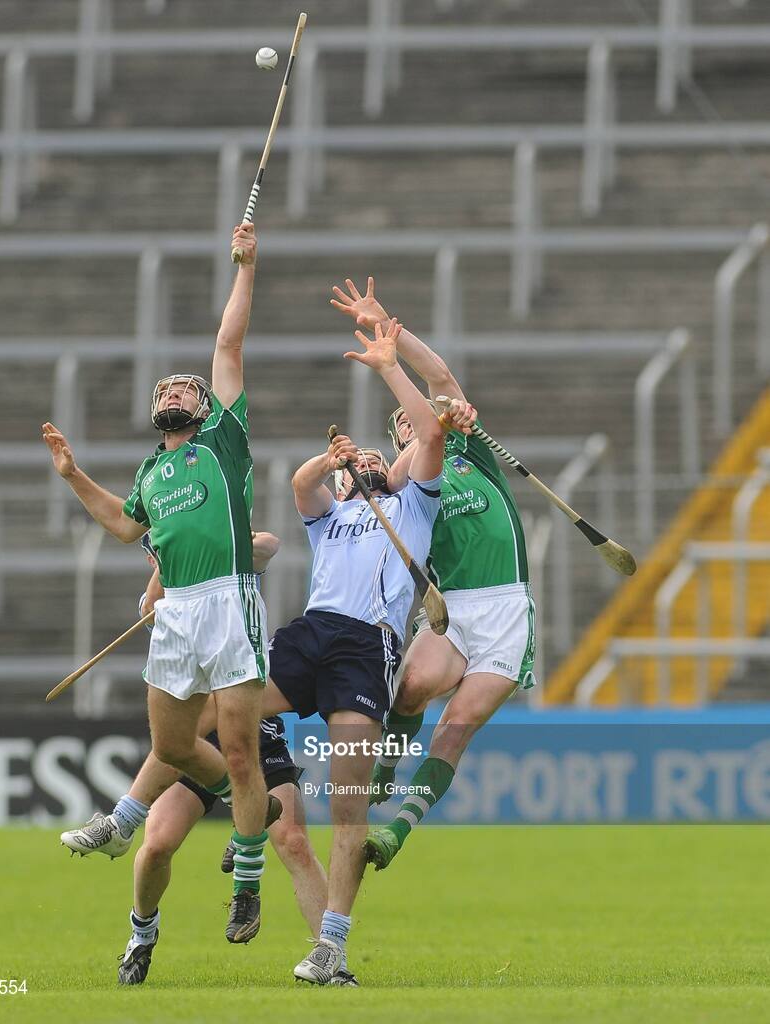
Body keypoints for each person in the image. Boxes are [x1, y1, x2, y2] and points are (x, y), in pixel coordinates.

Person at [43, 223, 272, 945]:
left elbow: (227, 346)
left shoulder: (224, 443)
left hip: (229, 601)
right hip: (176, 614)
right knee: (175, 749)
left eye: (188, 387)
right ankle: (242, 809)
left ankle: (247, 878)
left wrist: (245, 267)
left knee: (239, 751)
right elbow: (122, 526)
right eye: (167, 387)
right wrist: (75, 475)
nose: (177, 390)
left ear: (204, 408)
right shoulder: (150, 472)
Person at [260, 317, 471, 985]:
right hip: (310, 631)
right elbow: (300, 488)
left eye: (380, 460)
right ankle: (240, 820)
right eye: (362, 465)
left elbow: (431, 434)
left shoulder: (412, 507)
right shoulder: (332, 517)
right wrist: (327, 464)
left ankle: (332, 947)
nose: (371, 466)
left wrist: (387, 364)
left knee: (347, 805)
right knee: (222, 711)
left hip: (365, 648)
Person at [330, 277, 537, 870]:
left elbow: (441, 380)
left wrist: (387, 326)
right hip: (451, 611)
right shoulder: (408, 487)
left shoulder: (471, 453)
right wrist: (416, 407)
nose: (419, 426)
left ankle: (395, 830)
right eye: (405, 427)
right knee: (411, 687)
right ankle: (388, 766)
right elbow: (413, 447)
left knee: (456, 725)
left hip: (503, 610)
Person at [111, 533, 350, 986]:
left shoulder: (228, 553)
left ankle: (332, 960)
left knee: (295, 842)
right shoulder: (160, 595)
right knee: (156, 845)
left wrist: (218, 544)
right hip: (201, 742)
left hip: (255, 735)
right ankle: (142, 933)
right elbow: (152, 611)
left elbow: (268, 544)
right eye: (155, 547)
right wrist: (166, 568)